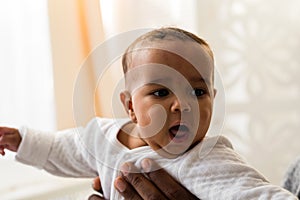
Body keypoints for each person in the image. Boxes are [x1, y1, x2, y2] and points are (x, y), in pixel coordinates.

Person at [0, 27, 297, 199]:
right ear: (130, 106)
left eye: (198, 91)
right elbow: (61, 148)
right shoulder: (104, 137)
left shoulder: (206, 159)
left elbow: (254, 193)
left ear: (213, 99)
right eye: (161, 92)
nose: (182, 105)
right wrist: (21, 139)